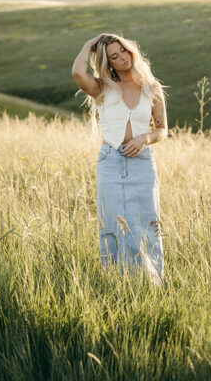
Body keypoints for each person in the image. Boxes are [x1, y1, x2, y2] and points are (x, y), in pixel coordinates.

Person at [72, 32, 167, 282]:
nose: (122, 57)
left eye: (123, 50)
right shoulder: (102, 88)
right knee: (112, 224)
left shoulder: (151, 87)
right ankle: (116, 280)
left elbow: (161, 129)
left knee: (147, 222)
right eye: (114, 56)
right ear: (108, 63)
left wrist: (144, 138)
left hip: (143, 163)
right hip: (110, 161)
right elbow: (78, 74)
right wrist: (87, 45)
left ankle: (153, 281)